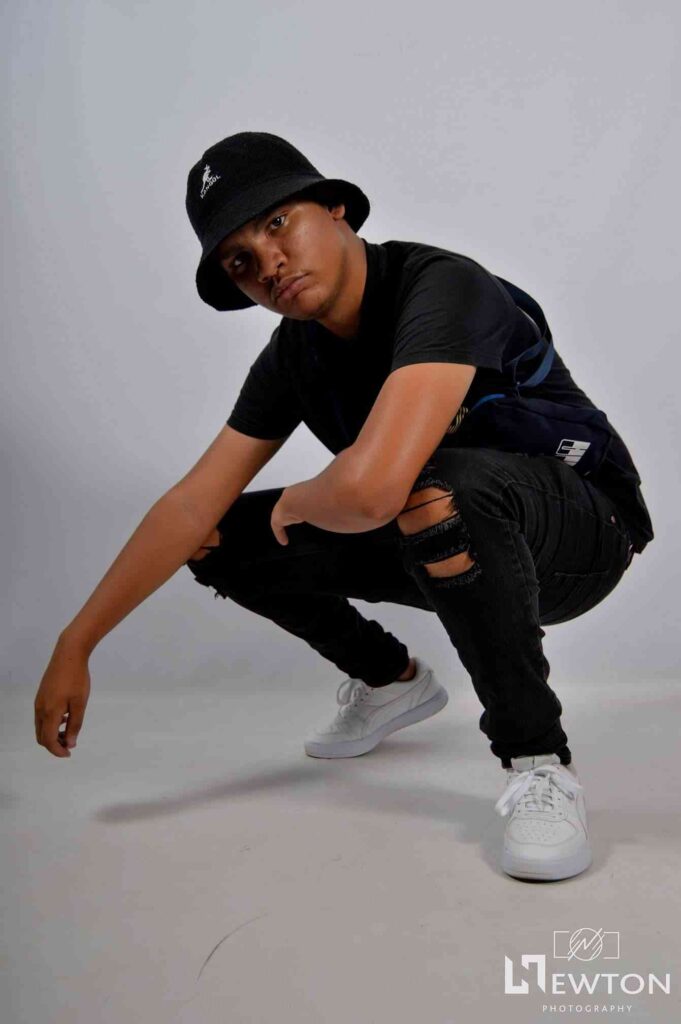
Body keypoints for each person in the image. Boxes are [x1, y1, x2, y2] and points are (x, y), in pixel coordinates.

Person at [34, 131, 654, 883]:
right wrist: (77, 642)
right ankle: (389, 681)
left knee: (430, 487)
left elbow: (371, 490)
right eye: (240, 261)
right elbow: (191, 505)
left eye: (276, 224)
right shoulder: (295, 354)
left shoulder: (441, 287)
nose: (268, 263)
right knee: (216, 539)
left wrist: (299, 499)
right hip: (452, 543)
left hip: (585, 535)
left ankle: (538, 764)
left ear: (335, 210)